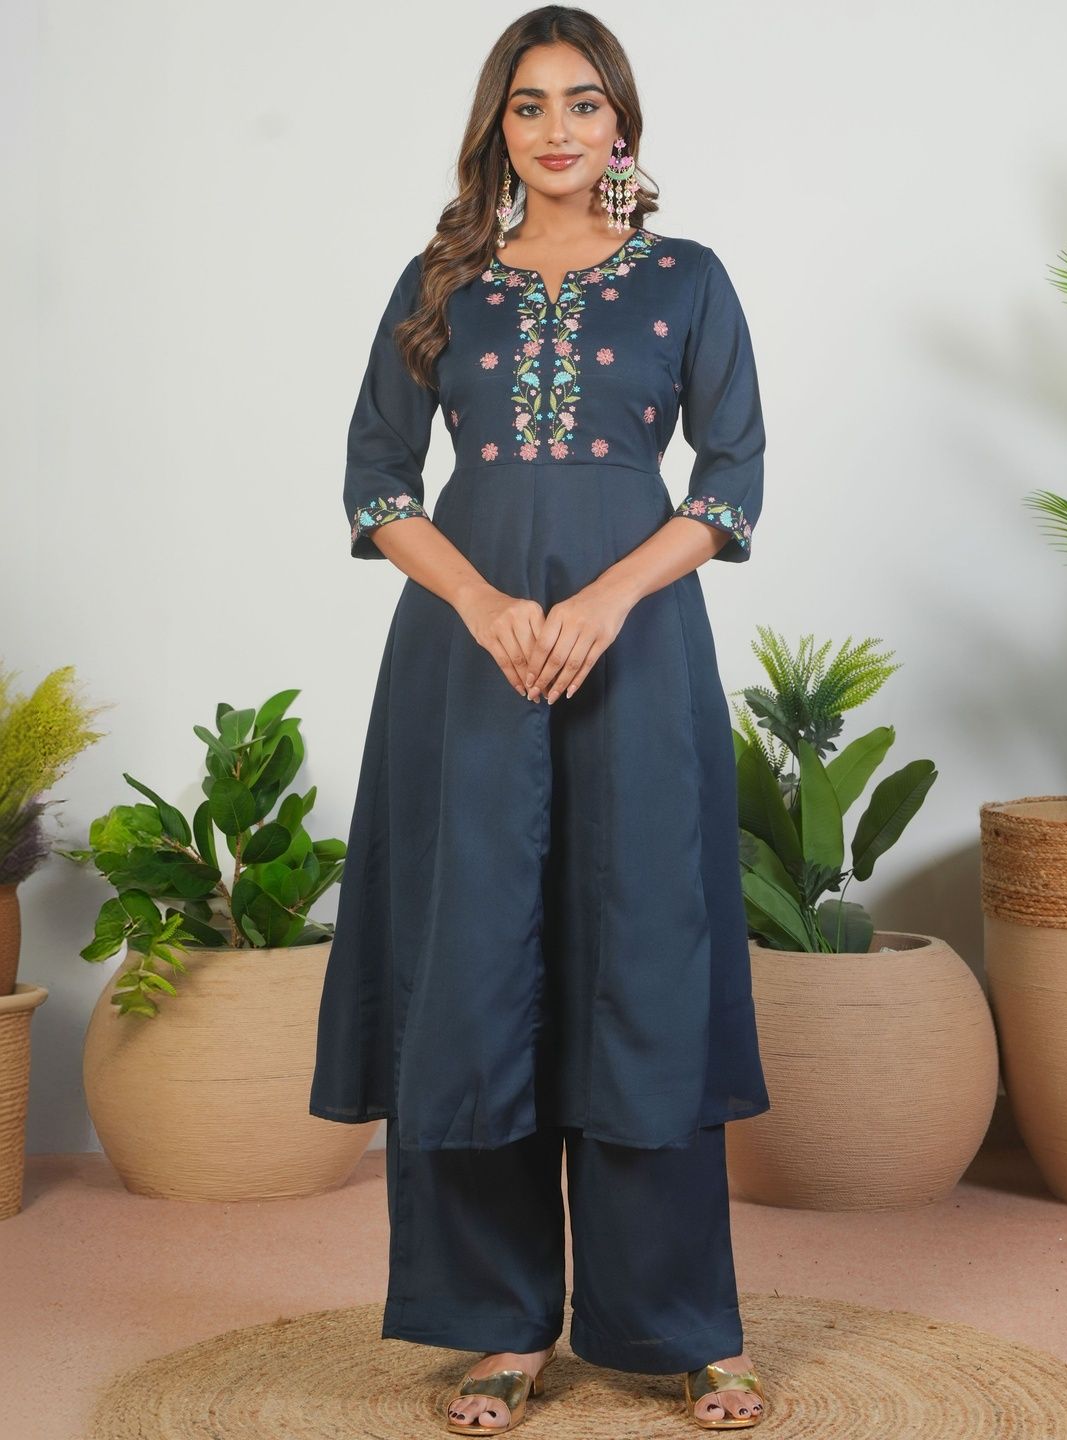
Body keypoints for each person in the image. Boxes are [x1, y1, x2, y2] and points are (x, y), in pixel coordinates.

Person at [309, 4, 771, 1430]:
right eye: (528, 105)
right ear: (496, 130)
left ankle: (680, 1321)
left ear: (619, 123)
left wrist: (606, 602)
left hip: (636, 658)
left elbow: (732, 481)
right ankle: (497, 1324)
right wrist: (485, 603)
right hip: (470, 665)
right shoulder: (443, 281)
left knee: (642, 964)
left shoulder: (687, 278)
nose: (556, 128)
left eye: (582, 102)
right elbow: (377, 479)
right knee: (475, 966)